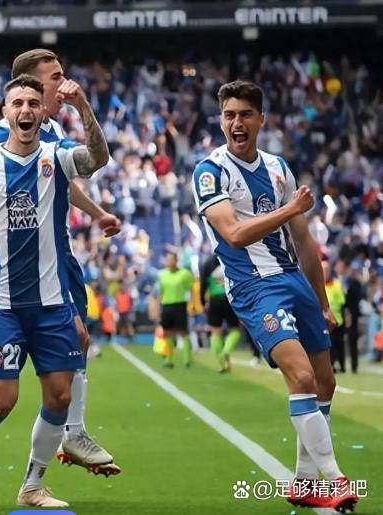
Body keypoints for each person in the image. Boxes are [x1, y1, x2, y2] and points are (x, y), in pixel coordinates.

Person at [192, 80, 358, 512]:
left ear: (261, 120)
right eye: (229, 115)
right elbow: (233, 233)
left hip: (293, 280)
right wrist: (289, 209)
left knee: (325, 382)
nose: (236, 122)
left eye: (245, 114)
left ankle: (304, 480)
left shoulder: (278, 168)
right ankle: (335, 480)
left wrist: (322, 301)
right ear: (221, 121)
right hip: (253, 286)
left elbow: (303, 240)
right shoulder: (210, 171)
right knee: (301, 377)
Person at [0, 73, 109, 508]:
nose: (25, 110)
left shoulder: (57, 156)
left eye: (32, 103)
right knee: (3, 400)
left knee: (60, 394)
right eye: (17, 103)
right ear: (4, 113)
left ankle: (32, 484)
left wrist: (83, 106)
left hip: (51, 302)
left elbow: (97, 158)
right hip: (1, 305)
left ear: (43, 112)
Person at [200, 254, 241, 373]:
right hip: (228, 298)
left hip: (214, 300)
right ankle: (226, 350)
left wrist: (203, 302)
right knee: (235, 330)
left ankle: (222, 362)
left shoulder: (207, 263)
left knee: (215, 332)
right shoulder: (230, 258)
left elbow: (203, 284)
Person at [157, 251, 194, 368]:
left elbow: (191, 289)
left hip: (180, 305)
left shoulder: (185, 274)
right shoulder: (162, 275)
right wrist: (158, 308)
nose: (169, 261)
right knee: (167, 333)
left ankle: (187, 359)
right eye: (167, 259)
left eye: (171, 259)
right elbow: (161, 292)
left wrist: (192, 305)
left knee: (183, 332)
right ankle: (169, 360)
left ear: (176, 261)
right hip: (166, 306)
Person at [324, 260, 346, 373]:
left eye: (326, 270)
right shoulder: (317, 284)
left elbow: (342, 301)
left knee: (339, 344)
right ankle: (331, 365)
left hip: (337, 319)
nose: (324, 272)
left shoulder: (336, 284)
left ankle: (342, 366)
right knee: (329, 344)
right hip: (324, 321)